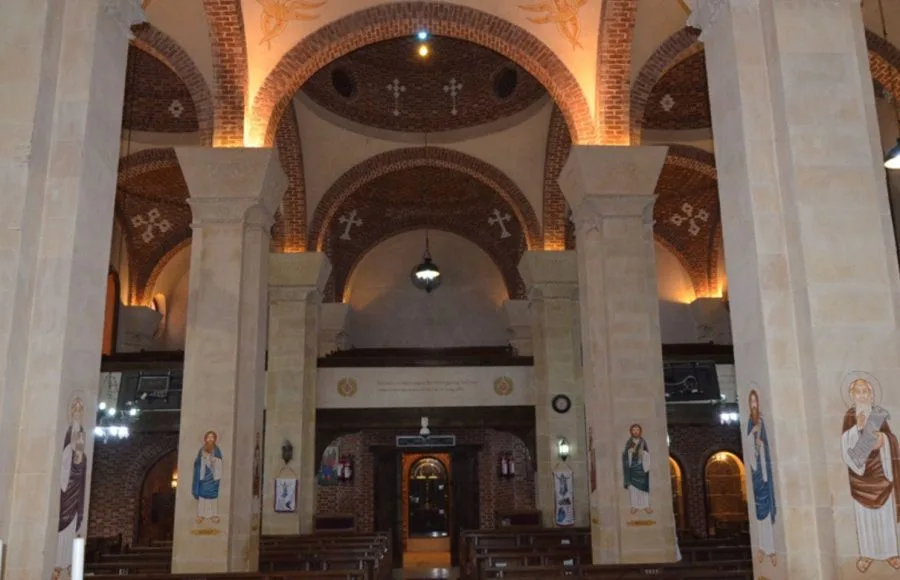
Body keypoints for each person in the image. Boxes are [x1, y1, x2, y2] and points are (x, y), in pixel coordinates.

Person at [841, 379, 900, 573]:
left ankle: (890, 552)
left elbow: (891, 439)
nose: (862, 395)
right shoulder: (850, 416)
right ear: (852, 395)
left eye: (865, 391)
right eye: (858, 391)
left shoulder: (878, 415)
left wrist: (883, 439)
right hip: (861, 477)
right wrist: (857, 429)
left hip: (881, 472)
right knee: (865, 518)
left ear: (871, 394)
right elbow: (845, 444)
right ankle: (867, 553)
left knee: (885, 517)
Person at [53, 398, 88, 580]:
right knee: (62, 524)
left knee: (71, 525)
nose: (77, 411)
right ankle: (58, 564)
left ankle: (65, 564)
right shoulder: (68, 438)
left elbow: (80, 460)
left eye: (80, 409)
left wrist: (79, 457)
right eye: (75, 408)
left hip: (75, 489)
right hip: (65, 489)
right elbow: (67, 457)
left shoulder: (80, 436)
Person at [745, 389, 777, 566]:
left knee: (768, 507)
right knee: (759, 511)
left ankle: (771, 549)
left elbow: (766, 445)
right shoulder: (751, 423)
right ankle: (762, 547)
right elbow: (749, 447)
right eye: (751, 402)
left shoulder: (763, 421)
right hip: (756, 472)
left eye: (755, 401)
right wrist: (752, 437)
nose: (754, 404)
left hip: (766, 472)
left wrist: (761, 444)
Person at [192, 430, 223, 524]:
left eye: (212, 437)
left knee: (213, 497)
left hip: (213, 477)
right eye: (208, 437)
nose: (210, 439)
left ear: (214, 439)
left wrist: (213, 460)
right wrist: (202, 459)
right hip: (203, 477)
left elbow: (219, 462)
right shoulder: (202, 449)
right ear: (205, 439)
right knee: (202, 497)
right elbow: (197, 462)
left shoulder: (217, 450)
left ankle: (214, 515)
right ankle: (201, 515)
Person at [622, 424, 652, 514]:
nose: (635, 431)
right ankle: (634, 506)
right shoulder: (629, 443)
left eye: (637, 430)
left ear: (640, 431)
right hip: (632, 468)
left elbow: (647, 453)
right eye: (634, 430)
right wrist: (629, 453)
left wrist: (644, 454)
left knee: (643, 487)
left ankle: (646, 506)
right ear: (631, 432)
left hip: (642, 468)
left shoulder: (643, 442)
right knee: (633, 488)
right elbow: (625, 456)